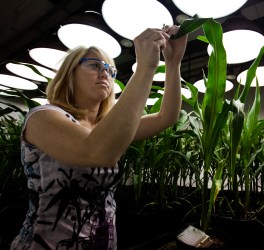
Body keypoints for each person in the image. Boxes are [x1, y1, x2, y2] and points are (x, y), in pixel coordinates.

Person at [10, 25, 188, 250]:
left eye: (110, 70)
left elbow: (167, 117)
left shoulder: (106, 128)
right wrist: (145, 67)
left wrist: (173, 63)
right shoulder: (42, 117)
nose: (105, 72)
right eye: (95, 65)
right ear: (69, 73)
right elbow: (95, 151)